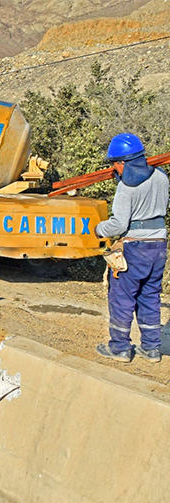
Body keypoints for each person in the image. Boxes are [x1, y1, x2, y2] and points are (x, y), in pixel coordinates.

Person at [95, 133, 168, 363]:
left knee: (122, 297)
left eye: (114, 164)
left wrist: (99, 229)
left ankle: (119, 348)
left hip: (134, 246)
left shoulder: (126, 187)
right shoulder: (161, 176)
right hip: (159, 245)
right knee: (150, 296)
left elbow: (119, 224)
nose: (114, 169)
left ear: (121, 162)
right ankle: (152, 348)